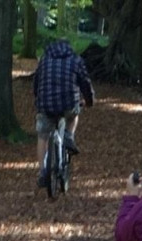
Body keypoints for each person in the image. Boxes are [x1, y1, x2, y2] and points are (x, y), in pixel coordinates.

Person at [34, 39, 94, 187]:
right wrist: (89, 100)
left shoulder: (44, 60)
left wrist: (38, 97)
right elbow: (85, 82)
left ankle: (42, 171)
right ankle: (68, 135)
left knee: (42, 136)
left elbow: (36, 82)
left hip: (45, 105)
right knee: (73, 116)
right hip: (68, 105)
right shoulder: (75, 60)